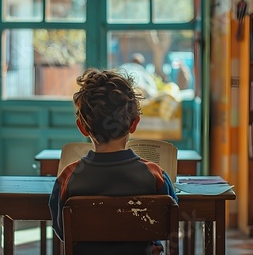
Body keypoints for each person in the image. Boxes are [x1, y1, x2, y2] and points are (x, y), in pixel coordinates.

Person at [49, 69, 178, 255]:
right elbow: (169, 224)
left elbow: (62, 230)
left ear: (82, 128)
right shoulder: (155, 175)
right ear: (134, 123)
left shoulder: (68, 177)